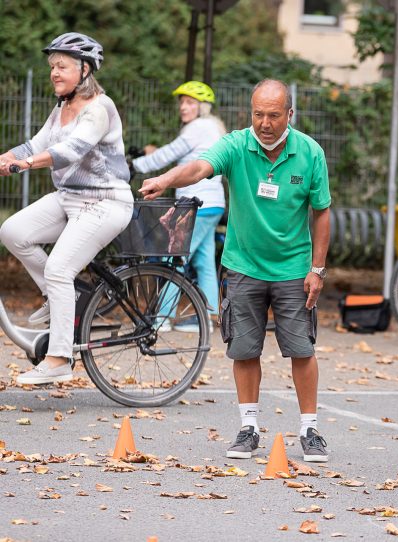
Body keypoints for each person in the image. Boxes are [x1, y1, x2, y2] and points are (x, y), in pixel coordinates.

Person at [139, 79, 332, 463]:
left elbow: (322, 211)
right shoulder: (236, 145)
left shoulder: (309, 153)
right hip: (243, 266)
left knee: (301, 349)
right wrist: (164, 179)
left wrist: (317, 269)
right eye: (258, 113)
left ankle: (310, 429)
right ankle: (249, 427)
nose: (264, 122)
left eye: (273, 115)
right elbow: (198, 168)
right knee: (244, 349)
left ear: (289, 115)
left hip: (293, 267)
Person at [0, 32, 133, 385]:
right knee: (13, 231)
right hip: (69, 197)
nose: (54, 73)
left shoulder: (99, 108)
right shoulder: (61, 107)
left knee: (60, 266)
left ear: (85, 69)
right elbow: (37, 143)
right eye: (52, 67)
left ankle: (59, 358)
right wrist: (8, 157)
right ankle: (61, 295)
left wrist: (25, 164)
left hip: (106, 201)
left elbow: (71, 150)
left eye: (62, 66)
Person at [131, 81, 227, 332]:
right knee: (204, 260)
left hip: (198, 204)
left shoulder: (199, 127)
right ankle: (206, 317)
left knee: (174, 256)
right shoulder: (210, 127)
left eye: (190, 102)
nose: (183, 107)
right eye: (182, 102)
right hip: (211, 204)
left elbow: (169, 153)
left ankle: (162, 318)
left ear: (202, 107)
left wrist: (135, 166)